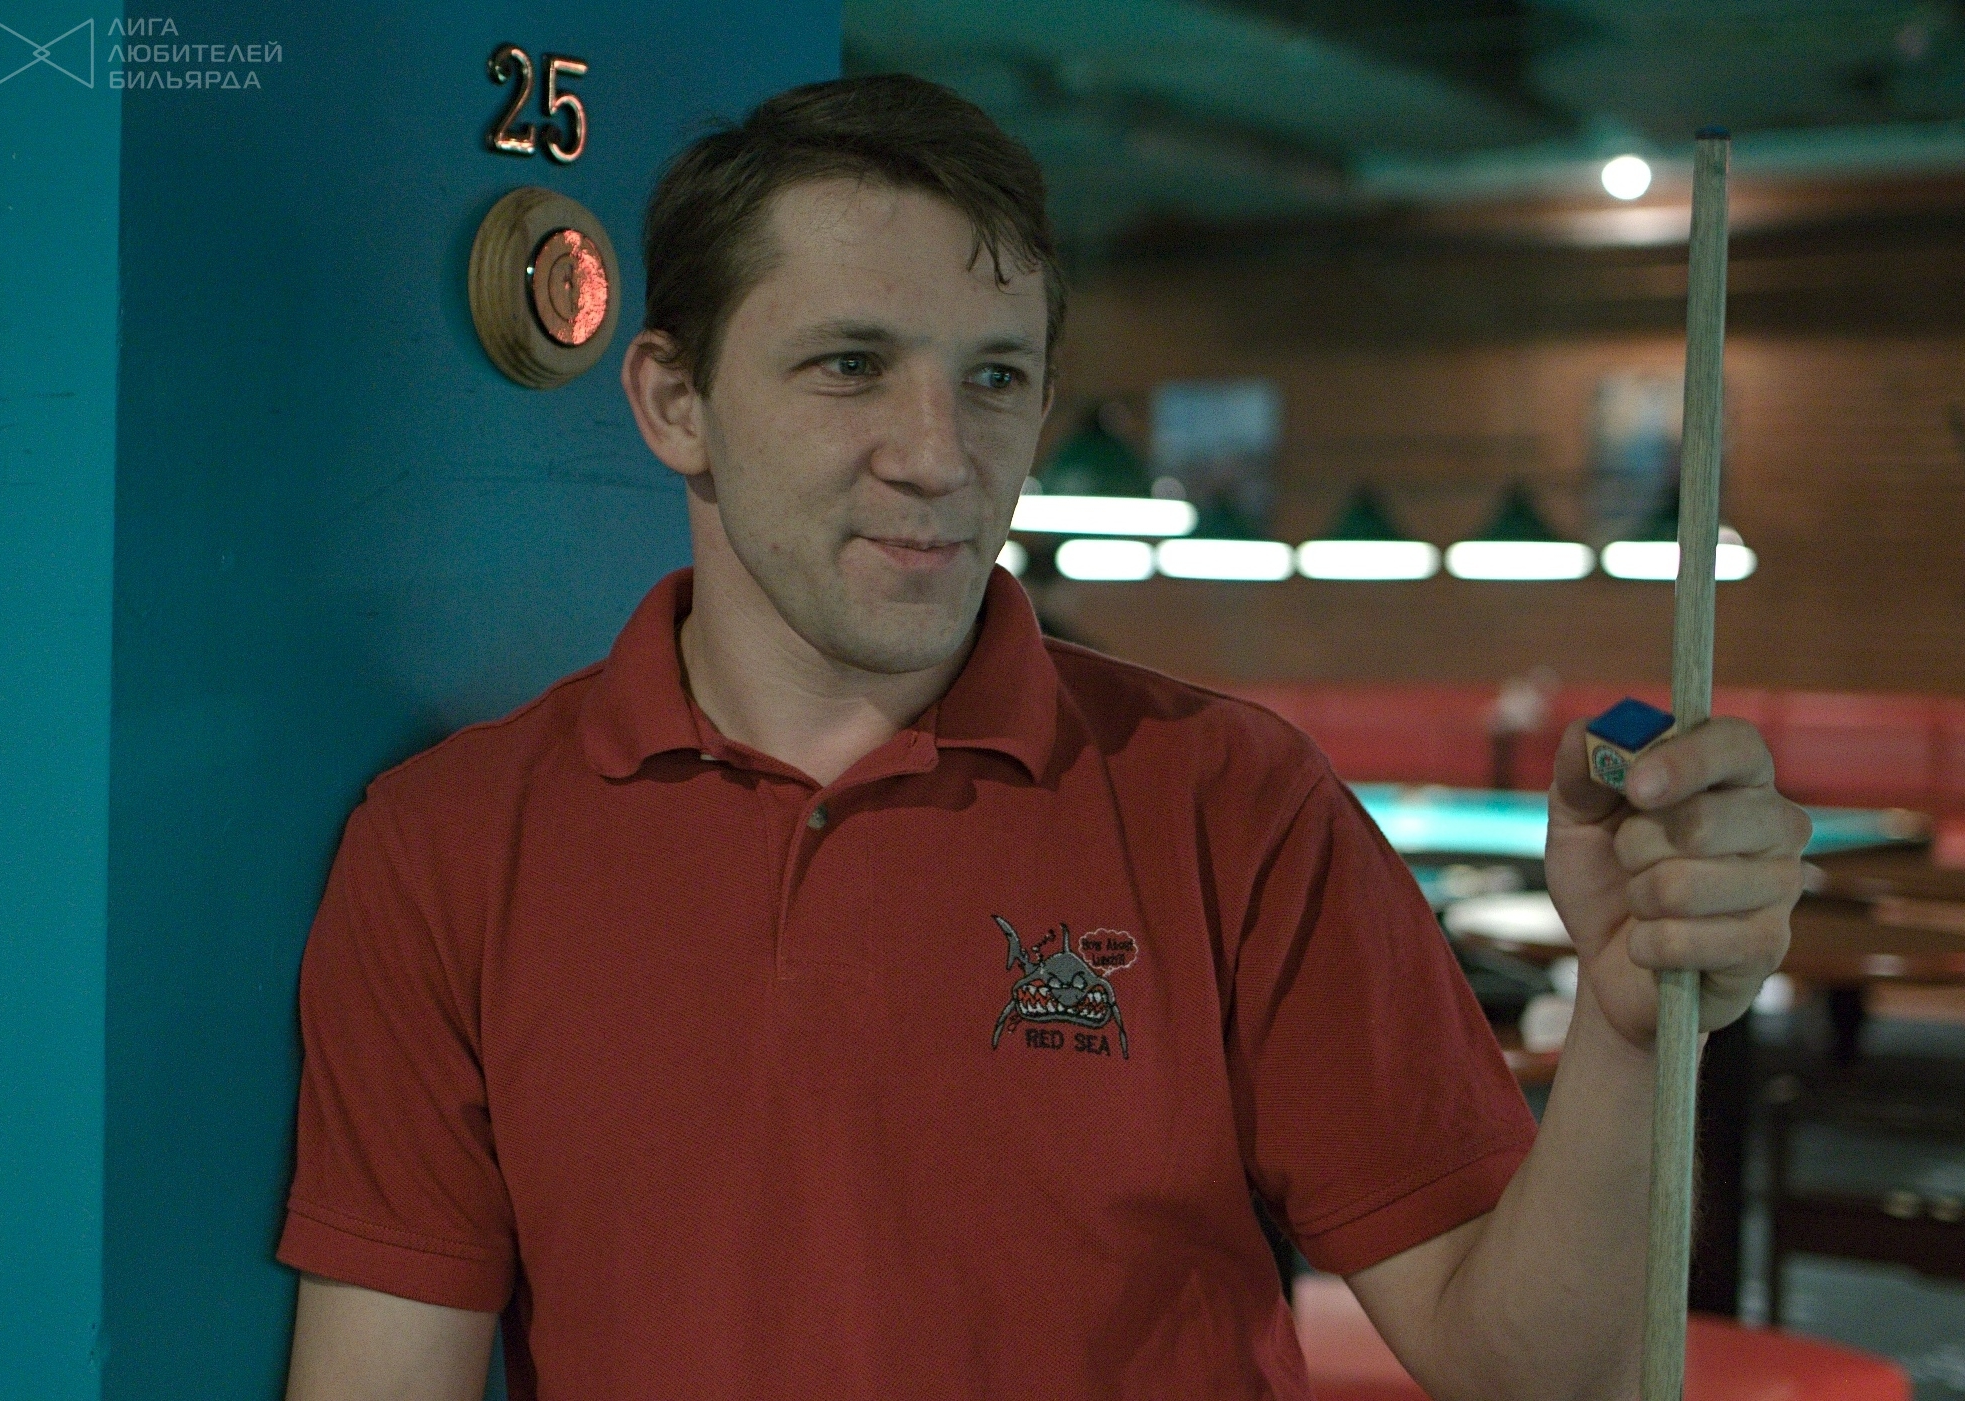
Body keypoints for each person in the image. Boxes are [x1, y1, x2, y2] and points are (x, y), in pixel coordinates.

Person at [278, 75, 1809, 1401]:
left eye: (994, 378)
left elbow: (1535, 1368)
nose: (939, 454)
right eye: (850, 364)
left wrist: (1627, 1032)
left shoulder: (1235, 801)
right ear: (675, 401)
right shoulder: (448, 845)